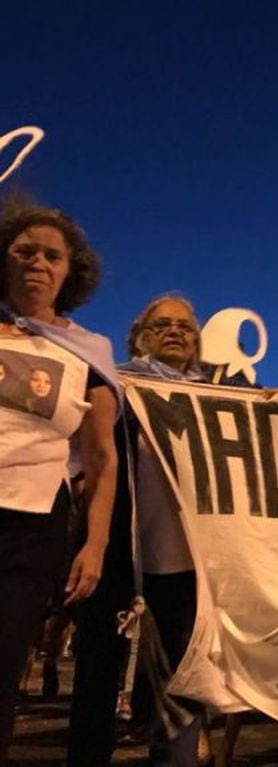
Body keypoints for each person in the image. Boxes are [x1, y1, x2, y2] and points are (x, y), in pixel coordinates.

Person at [0, 199, 119, 763]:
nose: (37, 263)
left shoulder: (90, 353)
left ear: (71, 271)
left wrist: (94, 545)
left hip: (30, 531)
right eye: (24, 251)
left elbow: (100, 457)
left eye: (52, 255)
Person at [69, 294, 209, 767]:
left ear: (197, 342)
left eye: (185, 327)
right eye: (162, 325)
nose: (175, 332)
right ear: (141, 336)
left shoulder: (217, 397)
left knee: (182, 676)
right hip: (114, 550)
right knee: (97, 673)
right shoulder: (116, 382)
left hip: (187, 560)